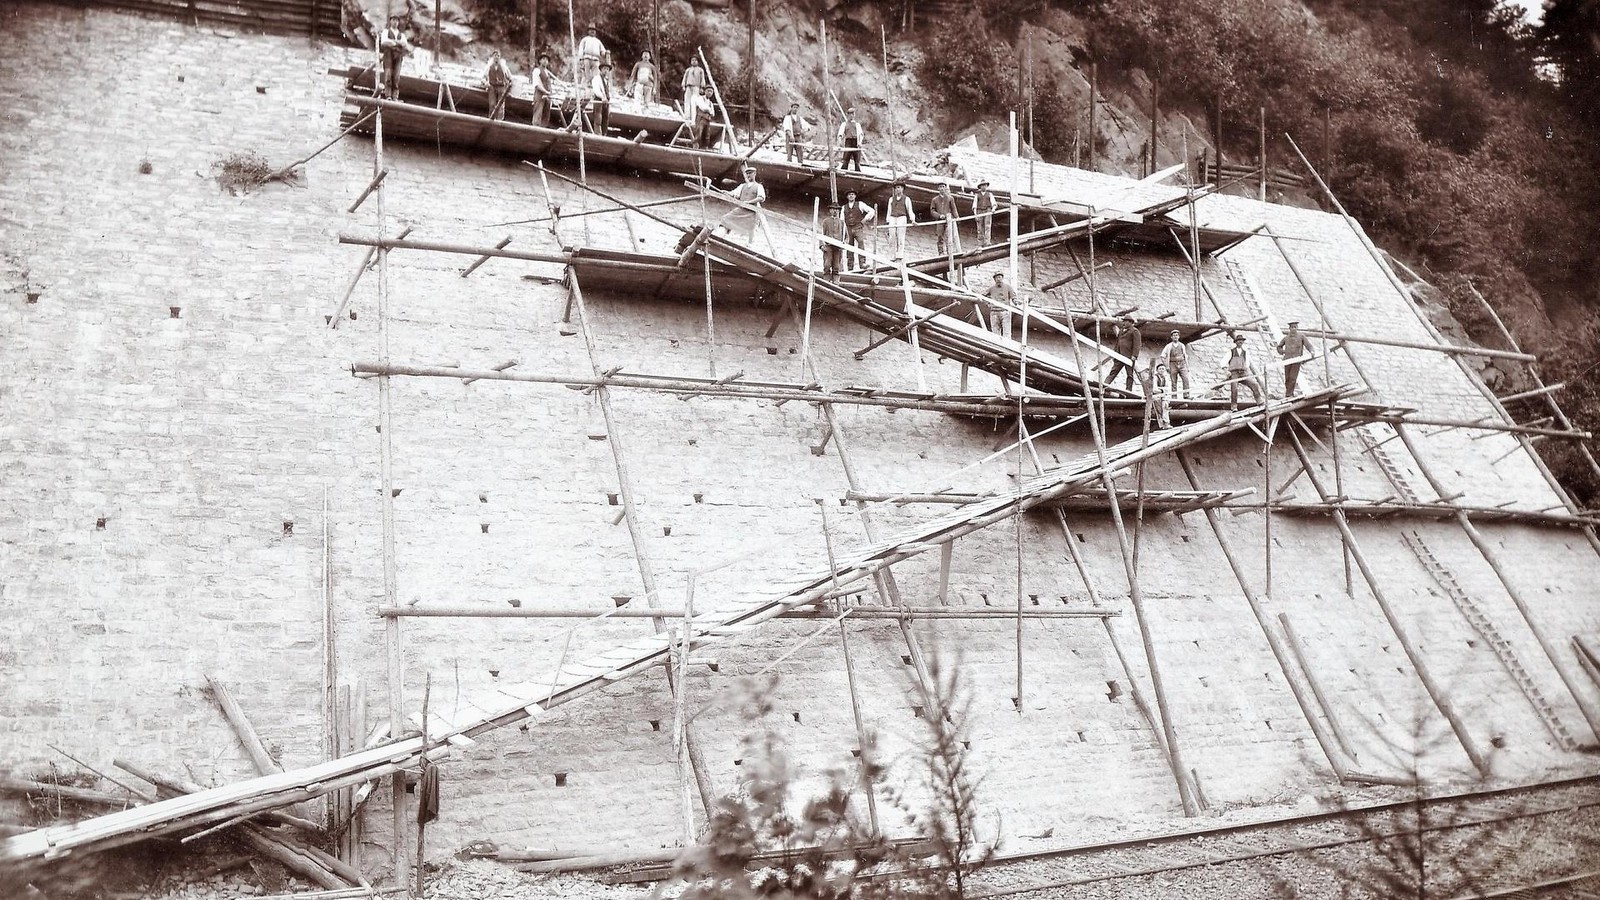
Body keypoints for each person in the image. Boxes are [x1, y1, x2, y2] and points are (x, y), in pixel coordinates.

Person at [719, 166, 767, 241]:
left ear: (755, 174)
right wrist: (726, 192)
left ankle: (749, 244)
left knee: (751, 231)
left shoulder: (759, 186)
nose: (748, 175)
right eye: (747, 174)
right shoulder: (742, 186)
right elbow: (733, 193)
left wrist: (749, 202)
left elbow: (761, 198)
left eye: (750, 173)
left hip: (751, 213)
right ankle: (720, 236)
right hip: (741, 210)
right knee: (725, 218)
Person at [1225, 334, 1266, 409]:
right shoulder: (1231, 352)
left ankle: (1259, 401)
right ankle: (1234, 406)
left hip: (1243, 373)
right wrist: (1226, 372)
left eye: (1241, 341)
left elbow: (1247, 364)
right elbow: (1223, 362)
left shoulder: (1245, 352)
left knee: (1254, 384)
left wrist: (1246, 371)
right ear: (1236, 342)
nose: (1240, 342)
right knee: (1234, 388)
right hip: (1234, 373)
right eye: (1238, 341)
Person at [841, 190, 876, 269]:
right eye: (849, 194)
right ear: (847, 196)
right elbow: (842, 220)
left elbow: (872, 211)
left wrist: (865, 220)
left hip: (858, 227)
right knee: (849, 246)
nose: (851, 196)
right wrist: (843, 231)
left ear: (855, 196)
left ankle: (862, 263)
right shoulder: (844, 207)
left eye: (852, 194)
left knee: (860, 243)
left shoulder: (860, 204)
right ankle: (850, 266)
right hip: (848, 229)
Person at [378, 15, 410, 100]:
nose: (395, 22)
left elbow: (405, 44)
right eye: (393, 20)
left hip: (398, 57)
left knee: (396, 76)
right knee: (388, 75)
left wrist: (393, 42)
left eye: (397, 20)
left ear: (398, 22)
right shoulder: (386, 32)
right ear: (390, 21)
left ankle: (395, 96)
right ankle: (388, 95)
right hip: (388, 56)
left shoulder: (401, 35)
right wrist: (397, 43)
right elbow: (384, 42)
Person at [1105, 322, 1141, 391]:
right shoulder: (1121, 331)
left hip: (1129, 357)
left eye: (1126, 322)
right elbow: (1117, 343)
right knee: (1113, 371)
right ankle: (1104, 385)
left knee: (1129, 374)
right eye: (1124, 321)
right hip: (1119, 356)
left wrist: (1134, 355)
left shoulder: (1135, 331)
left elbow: (1137, 345)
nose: (1124, 323)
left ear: (1130, 323)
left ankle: (1128, 390)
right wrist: (1115, 354)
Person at [1277, 320, 1309, 396]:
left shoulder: (1301, 336)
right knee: (1287, 378)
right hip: (1287, 360)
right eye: (1292, 327)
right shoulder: (1286, 338)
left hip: (1296, 360)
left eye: (1295, 327)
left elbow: (1308, 345)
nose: (1293, 329)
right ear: (1289, 328)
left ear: (1297, 328)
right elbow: (1279, 347)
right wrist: (1283, 351)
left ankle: (1289, 394)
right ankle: (1289, 393)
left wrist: (1312, 351)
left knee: (1292, 378)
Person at [885, 182, 915, 260]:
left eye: (899, 187)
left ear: (902, 189)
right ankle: (892, 256)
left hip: (902, 218)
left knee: (900, 236)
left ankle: (900, 255)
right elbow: (889, 210)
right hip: (893, 217)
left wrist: (912, 220)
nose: (898, 189)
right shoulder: (891, 199)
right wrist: (888, 221)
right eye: (896, 188)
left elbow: (910, 210)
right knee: (892, 237)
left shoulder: (906, 199)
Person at [482, 49, 514, 121]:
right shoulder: (488, 66)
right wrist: (486, 83)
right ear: (493, 57)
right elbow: (483, 78)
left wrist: (508, 88)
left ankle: (500, 121)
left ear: (500, 57)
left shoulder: (504, 67)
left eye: (498, 56)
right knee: (492, 104)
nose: (497, 57)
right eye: (495, 56)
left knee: (501, 106)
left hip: (501, 87)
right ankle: (491, 119)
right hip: (492, 87)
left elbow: (510, 78)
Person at [1159, 329, 1192, 398]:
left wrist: (1187, 366)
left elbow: (1185, 356)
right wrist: (1166, 366)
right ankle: (1174, 397)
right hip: (1172, 364)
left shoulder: (1182, 345)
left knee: (1186, 379)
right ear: (1171, 337)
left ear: (1179, 336)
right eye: (1173, 335)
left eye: (1176, 335)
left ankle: (1186, 395)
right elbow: (1162, 356)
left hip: (1182, 364)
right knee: (1174, 382)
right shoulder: (1168, 346)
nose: (1175, 337)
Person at [984, 272, 1016, 339]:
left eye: (999, 277)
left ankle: (1007, 345)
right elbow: (982, 296)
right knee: (995, 332)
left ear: (1002, 278)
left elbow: (1014, 297)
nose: (998, 279)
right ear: (994, 279)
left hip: (1005, 312)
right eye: (996, 278)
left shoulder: (1008, 287)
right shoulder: (991, 289)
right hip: (994, 312)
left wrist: (1016, 302)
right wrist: (988, 304)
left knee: (1006, 332)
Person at [930, 182, 959, 257]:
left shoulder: (950, 198)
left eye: (943, 186)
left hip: (948, 220)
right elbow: (932, 211)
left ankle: (949, 251)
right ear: (938, 188)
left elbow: (953, 209)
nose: (942, 188)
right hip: (940, 221)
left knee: (948, 235)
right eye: (940, 187)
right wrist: (939, 216)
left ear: (945, 188)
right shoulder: (935, 200)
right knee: (940, 236)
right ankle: (941, 252)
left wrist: (957, 217)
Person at [820, 203, 847, 277]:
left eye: (836, 209)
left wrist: (844, 244)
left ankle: (835, 282)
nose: (835, 211)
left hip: (838, 248)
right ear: (830, 210)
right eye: (833, 209)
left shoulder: (842, 223)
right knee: (827, 265)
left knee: (836, 266)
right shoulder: (826, 221)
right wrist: (822, 245)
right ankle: (826, 281)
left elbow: (846, 236)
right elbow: (821, 234)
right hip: (828, 247)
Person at [1144, 363, 1173, 429]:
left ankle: (1166, 423)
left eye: (1163, 369)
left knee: (1165, 406)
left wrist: (1162, 389)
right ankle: (1161, 425)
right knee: (1159, 409)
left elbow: (1168, 388)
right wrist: (1163, 390)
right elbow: (1154, 389)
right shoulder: (1155, 377)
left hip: (1164, 395)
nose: (1161, 370)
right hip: (1156, 395)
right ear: (1157, 370)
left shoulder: (1166, 377)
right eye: (1160, 369)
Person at [529, 53, 554, 127]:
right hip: (539, 96)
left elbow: (549, 85)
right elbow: (537, 85)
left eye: (546, 60)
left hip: (547, 97)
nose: (545, 61)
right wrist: (545, 92)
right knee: (537, 115)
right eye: (543, 59)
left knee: (545, 117)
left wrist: (550, 94)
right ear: (540, 61)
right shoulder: (537, 70)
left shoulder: (548, 73)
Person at [838, 107, 865, 171]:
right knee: (845, 160)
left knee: (857, 161)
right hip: (848, 142)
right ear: (848, 115)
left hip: (856, 142)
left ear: (854, 114)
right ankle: (843, 172)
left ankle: (858, 174)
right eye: (850, 114)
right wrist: (840, 141)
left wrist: (860, 142)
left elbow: (861, 134)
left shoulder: (857, 125)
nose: (851, 115)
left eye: (852, 114)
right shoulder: (844, 124)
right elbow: (840, 133)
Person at [973, 180, 996, 247]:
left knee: (987, 227)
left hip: (987, 211)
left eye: (985, 185)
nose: (984, 187)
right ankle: (980, 243)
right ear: (980, 187)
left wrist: (993, 209)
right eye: (982, 185)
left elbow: (994, 203)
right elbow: (974, 205)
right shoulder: (977, 195)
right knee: (980, 228)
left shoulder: (989, 194)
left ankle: (987, 242)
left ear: (986, 186)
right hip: (979, 211)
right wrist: (975, 214)